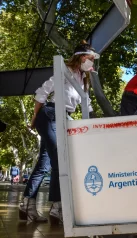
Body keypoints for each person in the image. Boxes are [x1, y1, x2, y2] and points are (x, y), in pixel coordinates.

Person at [19, 40, 98, 224]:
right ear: (81, 57)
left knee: (44, 165)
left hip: (64, 119)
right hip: (50, 115)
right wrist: (33, 120)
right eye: (90, 59)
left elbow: (87, 104)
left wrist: (97, 125)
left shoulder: (83, 81)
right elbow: (41, 93)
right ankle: (57, 207)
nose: (92, 63)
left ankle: (26, 205)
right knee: (59, 161)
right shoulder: (64, 72)